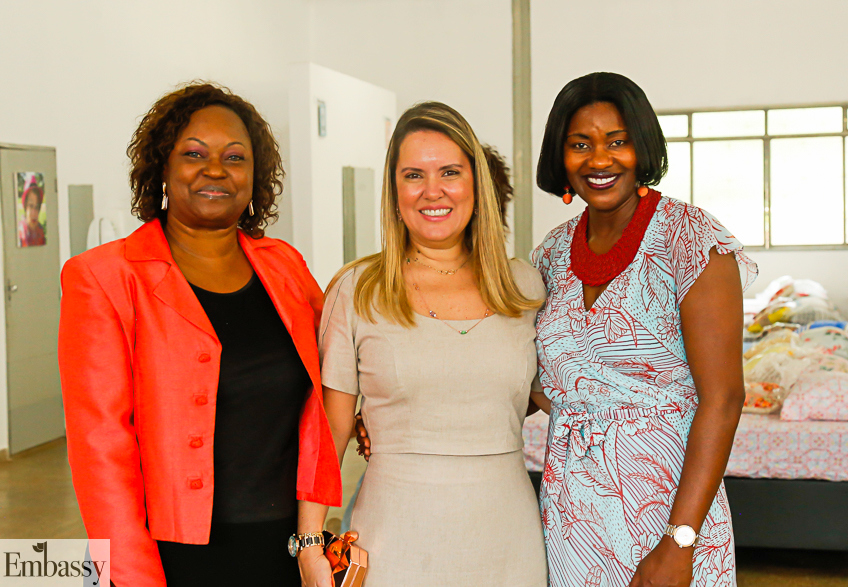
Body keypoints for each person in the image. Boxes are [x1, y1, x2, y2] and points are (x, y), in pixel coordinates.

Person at [58, 83, 341, 586]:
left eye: (235, 157)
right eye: (193, 154)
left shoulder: (285, 268)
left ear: (255, 175)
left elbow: (335, 375)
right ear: (162, 168)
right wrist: (133, 576)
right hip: (169, 556)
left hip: (282, 548)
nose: (215, 169)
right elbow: (101, 449)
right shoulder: (105, 277)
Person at [297, 102, 549, 586]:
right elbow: (329, 431)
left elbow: (550, 394)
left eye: (450, 172)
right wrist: (309, 544)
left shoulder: (525, 286)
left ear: (476, 184)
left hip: (507, 540)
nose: (433, 190)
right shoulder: (357, 289)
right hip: (394, 539)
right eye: (414, 175)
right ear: (394, 192)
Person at [531, 72, 756, 586]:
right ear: (560, 156)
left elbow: (724, 399)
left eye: (617, 141)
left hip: (669, 511)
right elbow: (532, 381)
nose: (599, 160)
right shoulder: (550, 254)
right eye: (580, 144)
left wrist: (680, 541)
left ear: (643, 146)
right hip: (572, 515)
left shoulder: (690, 240)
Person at [18, 176, 46, 246]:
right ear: (25, 206)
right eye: (31, 206)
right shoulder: (20, 232)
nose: (34, 213)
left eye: (36, 207)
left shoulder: (40, 230)